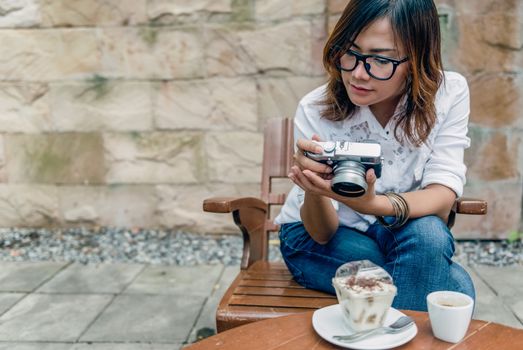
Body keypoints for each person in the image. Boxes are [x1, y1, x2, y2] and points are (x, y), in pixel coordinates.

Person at [274, 0, 475, 311]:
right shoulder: (316, 109)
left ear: (418, 59)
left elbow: (442, 194)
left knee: (430, 235)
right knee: (456, 286)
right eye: (350, 52)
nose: (358, 74)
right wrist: (313, 190)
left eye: (380, 60)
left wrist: (371, 204)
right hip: (314, 237)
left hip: (395, 224)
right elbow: (321, 233)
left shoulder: (449, 94)